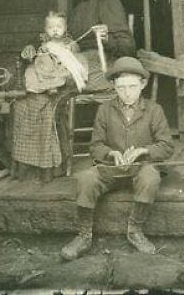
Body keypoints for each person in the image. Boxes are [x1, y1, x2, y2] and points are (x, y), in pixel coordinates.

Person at [11, 0, 136, 180]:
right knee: (34, 94)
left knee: (45, 90)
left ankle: (50, 162)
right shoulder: (78, 9)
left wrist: (106, 38)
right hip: (76, 65)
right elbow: (60, 40)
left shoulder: (109, 2)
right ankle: (44, 160)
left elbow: (128, 47)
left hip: (98, 68)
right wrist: (33, 47)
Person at [60, 57, 173, 261]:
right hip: (111, 168)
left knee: (151, 178)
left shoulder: (154, 110)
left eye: (132, 86)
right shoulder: (105, 110)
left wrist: (143, 151)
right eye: (121, 88)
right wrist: (111, 154)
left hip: (140, 167)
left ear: (143, 84)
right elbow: (95, 146)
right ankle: (84, 236)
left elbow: (166, 146)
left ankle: (135, 230)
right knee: (86, 178)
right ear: (114, 86)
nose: (127, 92)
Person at [21, 11, 87, 94]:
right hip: (44, 67)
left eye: (59, 27)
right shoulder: (43, 41)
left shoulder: (68, 42)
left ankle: (54, 86)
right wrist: (39, 50)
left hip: (59, 67)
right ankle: (40, 87)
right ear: (45, 29)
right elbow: (35, 51)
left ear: (65, 28)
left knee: (66, 73)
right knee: (31, 71)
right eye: (50, 27)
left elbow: (76, 53)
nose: (55, 30)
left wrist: (69, 49)